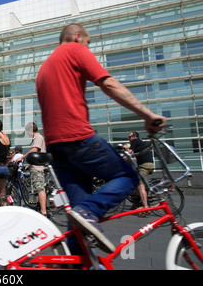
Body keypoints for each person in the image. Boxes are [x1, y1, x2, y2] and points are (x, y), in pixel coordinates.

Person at [36, 23, 166, 253]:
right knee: (127, 176)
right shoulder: (75, 49)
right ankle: (90, 210)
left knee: (78, 220)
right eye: (89, 42)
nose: (89, 48)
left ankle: (82, 262)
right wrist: (148, 115)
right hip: (78, 137)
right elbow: (108, 83)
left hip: (57, 147)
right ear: (77, 37)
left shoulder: (44, 68)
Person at [14, 122, 47, 216]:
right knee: (38, 188)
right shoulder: (38, 137)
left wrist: (22, 157)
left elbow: (34, 150)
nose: (27, 134)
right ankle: (41, 209)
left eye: (27, 132)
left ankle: (43, 212)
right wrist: (29, 165)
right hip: (36, 166)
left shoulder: (37, 137)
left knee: (40, 188)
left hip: (38, 168)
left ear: (30, 130)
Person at [128, 131, 154, 217]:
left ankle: (145, 208)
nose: (129, 139)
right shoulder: (141, 143)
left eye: (129, 137)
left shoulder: (135, 141)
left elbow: (129, 153)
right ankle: (136, 203)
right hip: (148, 165)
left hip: (144, 166)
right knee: (135, 180)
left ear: (134, 137)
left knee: (140, 186)